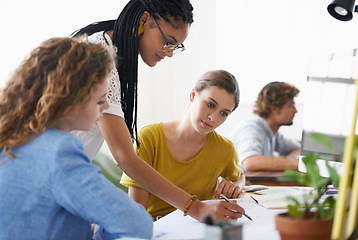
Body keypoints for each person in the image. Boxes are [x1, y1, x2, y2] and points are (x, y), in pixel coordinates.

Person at [71, 0, 244, 221]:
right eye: (168, 42)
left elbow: (239, 176)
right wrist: (196, 208)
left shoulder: (108, 52)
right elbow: (125, 157)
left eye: (176, 47)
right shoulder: (98, 58)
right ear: (145, 20)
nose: (169, 53)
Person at [0, 37, 153, 240]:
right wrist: (98, 230)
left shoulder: (11, 137)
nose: (106, 106)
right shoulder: (59, 150)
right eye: (100, 100)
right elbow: (137, 223)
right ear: (70, 100)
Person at [121, 70, 246, 219]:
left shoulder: (225, 149)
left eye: (224, 113)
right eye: (210, 104)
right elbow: (137, 212)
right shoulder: (149, 137)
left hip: (196, 228)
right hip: (153, 228)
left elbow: (240, 176)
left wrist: (236, 185)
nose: (213, 118)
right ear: (193, 95)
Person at [230, 81, 300, 172]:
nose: (295, 111)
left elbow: (298, 149)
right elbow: (250, 162)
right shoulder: (251, 129)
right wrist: (297, 165)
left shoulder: (273, 133)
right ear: (274, 108)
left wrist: (288, 160)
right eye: (291, 105)